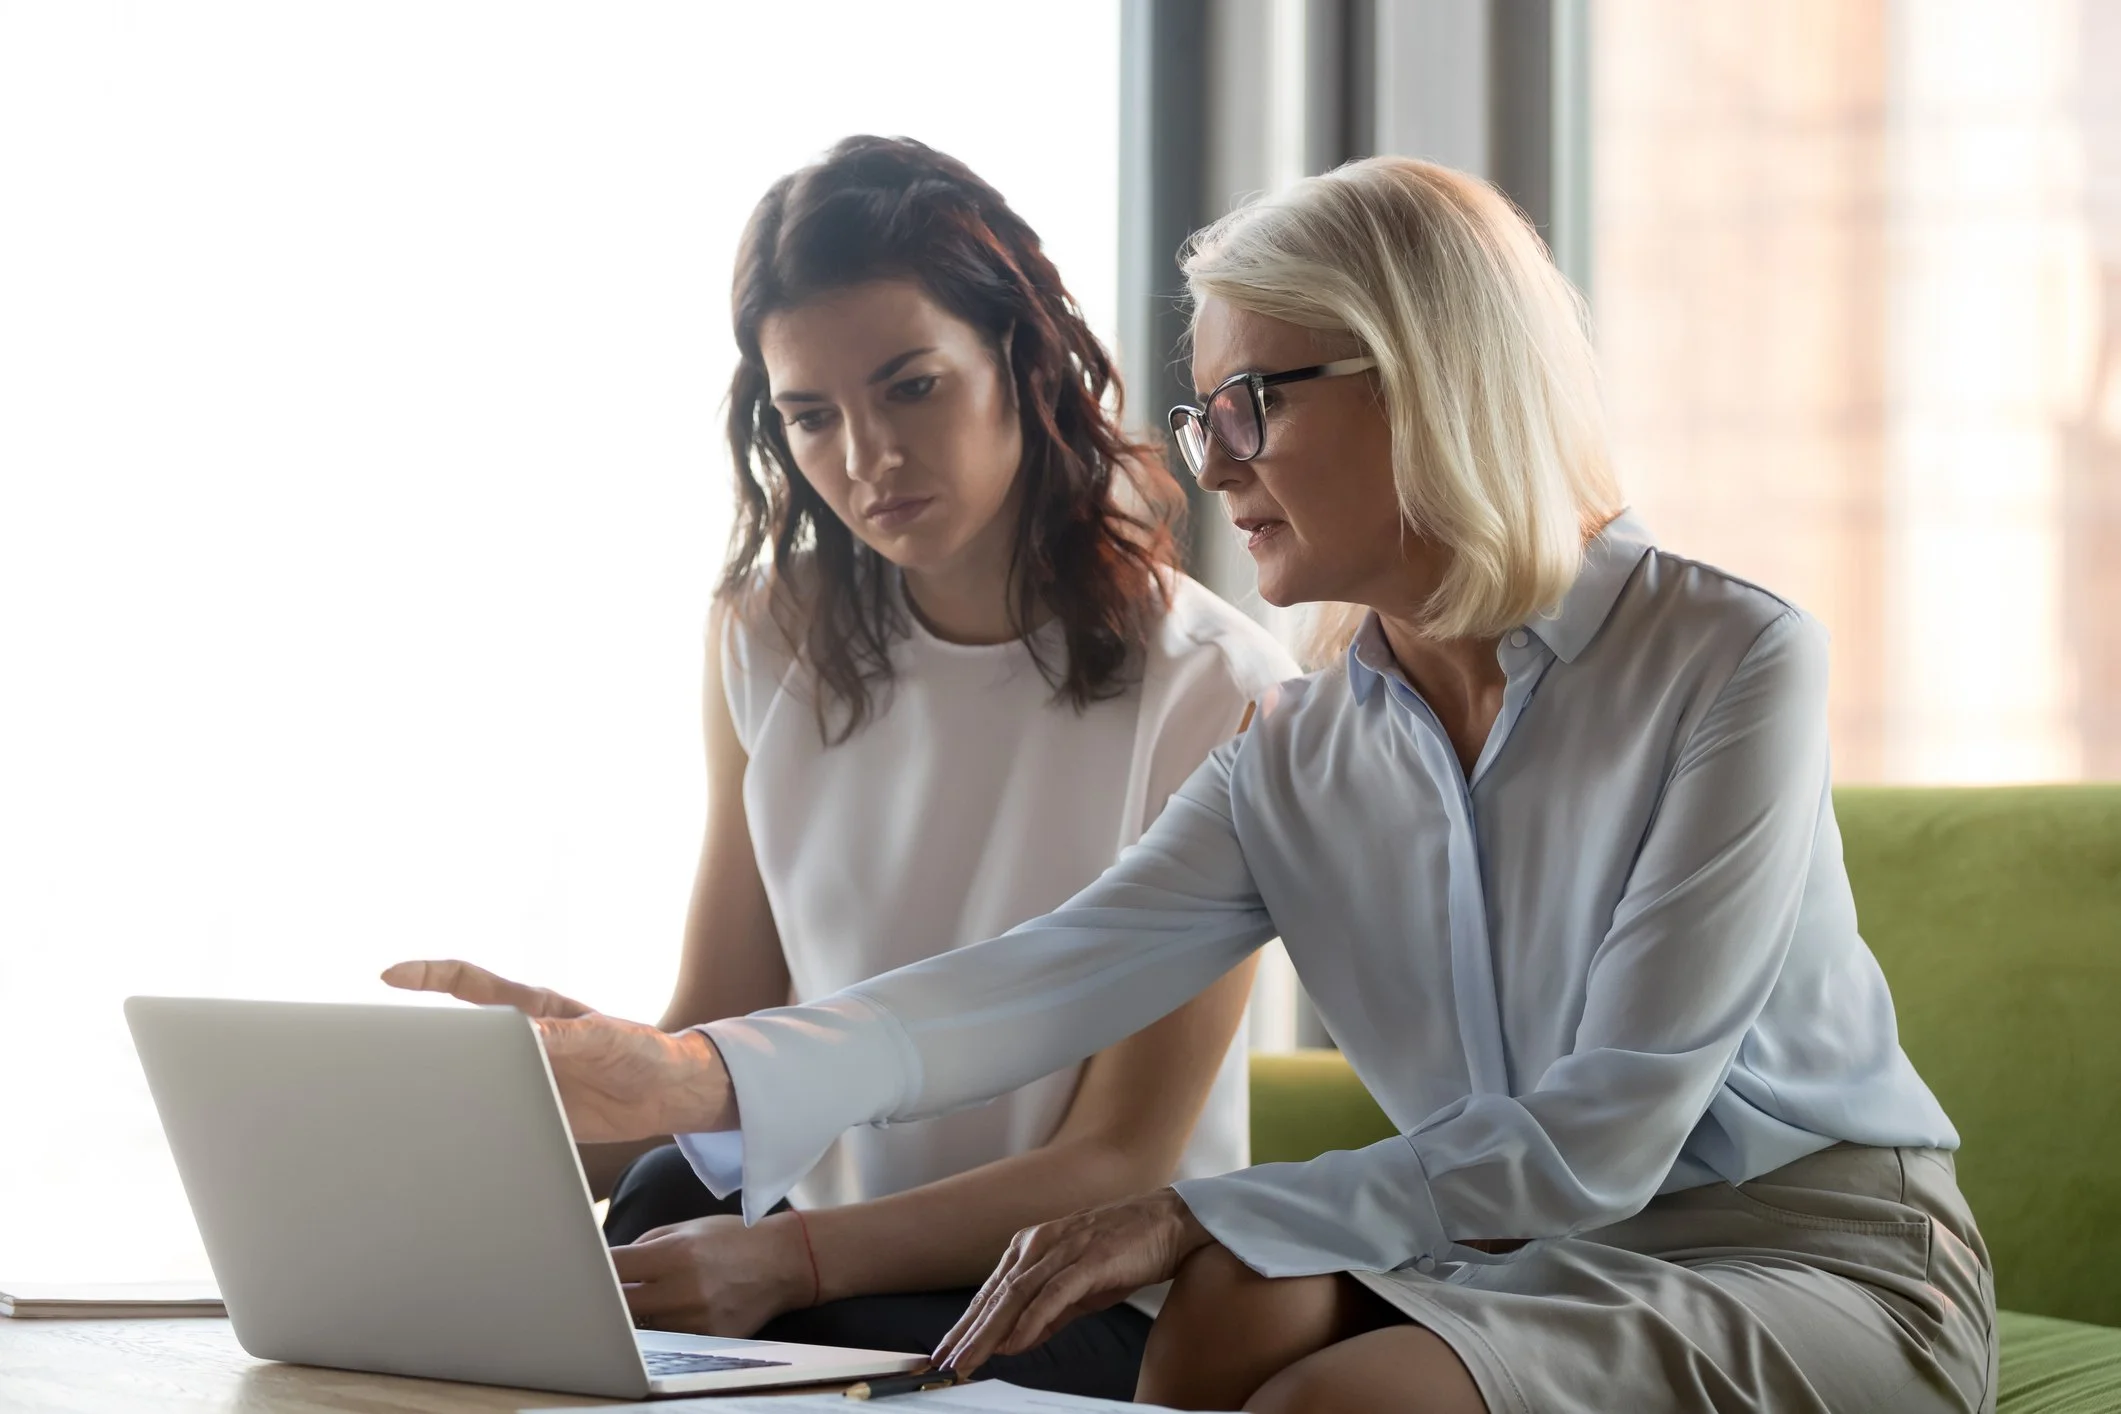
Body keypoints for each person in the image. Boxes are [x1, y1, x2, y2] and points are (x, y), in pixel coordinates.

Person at [395, 155, 1998, 1414]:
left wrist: (1197, 1209)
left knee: (1334, 1381)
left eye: (1252, 402)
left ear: (1426, 376)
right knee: (1231, 1311)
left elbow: (1603, 1133)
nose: (1211, 461)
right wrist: (680, 1078)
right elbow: (1027, 983)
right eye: (1199, 410)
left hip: (1813, 1252)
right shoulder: (1301, 745)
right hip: (1512, 1258)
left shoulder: (1729, 659)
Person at [386, 136, 1296, 1401]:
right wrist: (502, 1123)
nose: (866, 457)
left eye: (911, 387)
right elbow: (722, 1031)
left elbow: (1121, 1161)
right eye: (810, 415)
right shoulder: (770, 633)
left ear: (1022, 363)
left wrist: (789, 1262)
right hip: (805, 1268)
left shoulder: (1220, 688)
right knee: (589, 1262)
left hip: (1057, 1298)